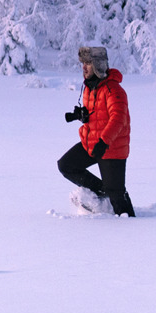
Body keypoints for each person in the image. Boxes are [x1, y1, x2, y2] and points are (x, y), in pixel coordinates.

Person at [58, 46, 135, 216]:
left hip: (112, 147)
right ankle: (103, 193)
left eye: (88, 63)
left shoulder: (114, 90)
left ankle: (130, 225)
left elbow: (118, 119)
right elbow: (99, 114)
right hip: (92, 143)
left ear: (98, 65)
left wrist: (104, 141)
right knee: (66, 165)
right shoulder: (89, 87)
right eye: (83, 63)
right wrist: (82, 116)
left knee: (117, 195)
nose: (84, 67)